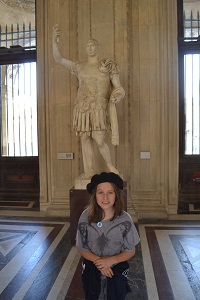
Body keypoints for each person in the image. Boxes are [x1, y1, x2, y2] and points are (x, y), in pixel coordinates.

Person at [52, 25, 125, 179]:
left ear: (97, 47)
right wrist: (54, 41)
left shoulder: (106, 65)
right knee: (85, 139)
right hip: (82, 107)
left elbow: (119, 87)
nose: (90, 48)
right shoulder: (80, 66)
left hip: (99, 107)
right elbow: (58, 59)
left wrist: (118, 96)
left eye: (92, 45)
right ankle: (89, 170)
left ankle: (110, 165)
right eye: (88, 46)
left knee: (99, 139)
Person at [75, 172, 140, 300]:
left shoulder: (125, 219)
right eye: (100, 192)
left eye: (110, 192)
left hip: (116, 269)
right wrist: (100, 263)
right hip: (92, 268)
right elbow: (81, 247)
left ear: (117, 195)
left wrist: (111, 261)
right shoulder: (86, 216)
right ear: (94, 195)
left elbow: (131, 250)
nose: (105, 197)